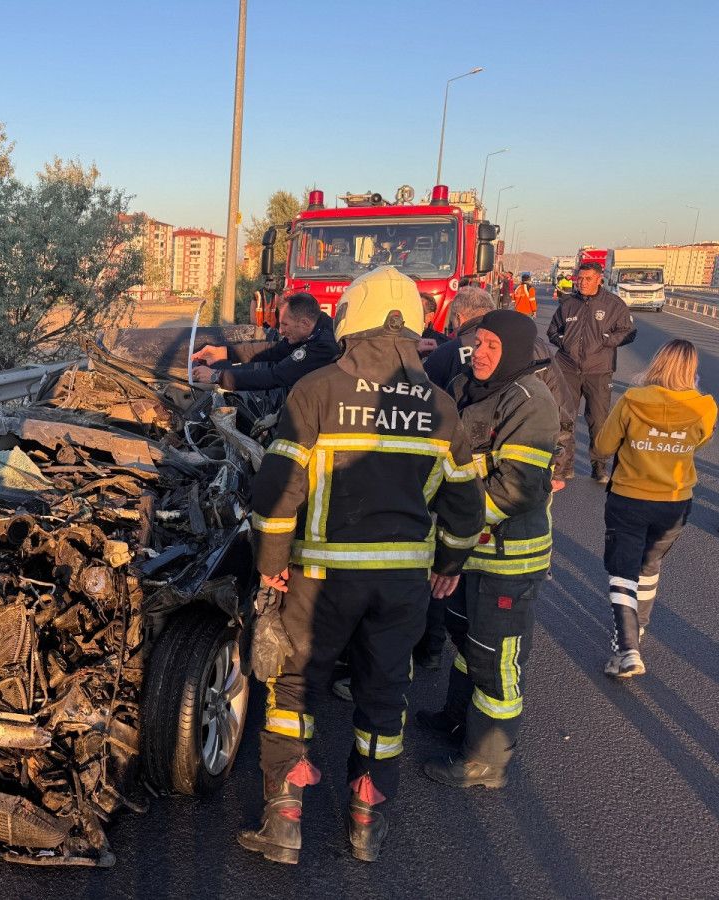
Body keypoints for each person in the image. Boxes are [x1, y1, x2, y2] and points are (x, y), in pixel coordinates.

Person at [237, 265, 484, 865]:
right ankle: (367, 821)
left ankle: (284, 822)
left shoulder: (317, 390)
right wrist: (450, 560)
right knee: (383, 695)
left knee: (294, 688)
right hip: (402, 585)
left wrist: (271, 562)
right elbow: (465, 502)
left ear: (351, 318)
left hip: (320, 582)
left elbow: (277, 491)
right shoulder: (441, 406)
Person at [419, 310, 559, 790]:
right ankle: (458, 718)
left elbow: (515, 491)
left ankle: (487, 760)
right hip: (468, 551)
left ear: (514, 351)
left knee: (497, 658)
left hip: (506, 557)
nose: (479, 353)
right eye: (478, 342)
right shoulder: (466, 387)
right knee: (468, 641)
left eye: (492, 346)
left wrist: (456, 525)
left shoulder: (531, 403)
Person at [593, 339, 716, 677]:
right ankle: (639, 626)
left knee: (622, 572)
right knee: (649, 565)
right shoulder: (704, 407)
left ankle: (628, 648)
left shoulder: (632, 400)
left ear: (657, 363)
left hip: (629, 498)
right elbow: (699, 442)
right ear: (691, 371)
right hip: (674, 502)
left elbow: (603, 446)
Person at [547, 261, 636, 488]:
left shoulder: (614, 304)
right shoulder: (568, 304)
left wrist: (606, 341)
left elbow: (628, 332)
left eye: (588, 279)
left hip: (599, 371)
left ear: (599, 279)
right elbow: (552, 331)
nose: (582, 283)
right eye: (580, 278)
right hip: (567, 369)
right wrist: (564, 342)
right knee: (564, 417)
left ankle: (599, 466)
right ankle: (564, 466)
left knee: (598, 420)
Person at [191, 292, 339, 391]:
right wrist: (224, 353)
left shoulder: (324, 345)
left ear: (304, 323)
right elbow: (275, 350)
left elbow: (276, 376)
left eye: (285, 324)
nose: (280, 331)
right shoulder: (315, 327)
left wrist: (217, 376)